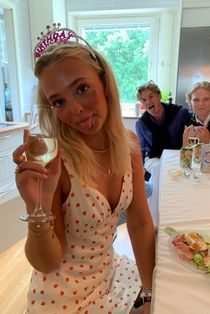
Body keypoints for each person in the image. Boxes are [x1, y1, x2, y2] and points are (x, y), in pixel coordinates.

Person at [12, 25, 155, 314]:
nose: (75, 109)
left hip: (109, 275)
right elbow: (46, 262)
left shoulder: (129, 144)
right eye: (59, 101)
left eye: (82, 88)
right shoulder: (56, 161)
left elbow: (139, 223)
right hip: (61, 298)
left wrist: (152, 290)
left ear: (103, 81)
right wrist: (36, 206)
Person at [135, 80, 191, 163]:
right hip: (156, 162)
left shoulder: (180, 114)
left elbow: (191, 141)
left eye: (151, 97)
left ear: (159, 96)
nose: (148, 102)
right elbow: (141, 150)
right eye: (143, 100)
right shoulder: (141, 124)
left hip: (180, 159)